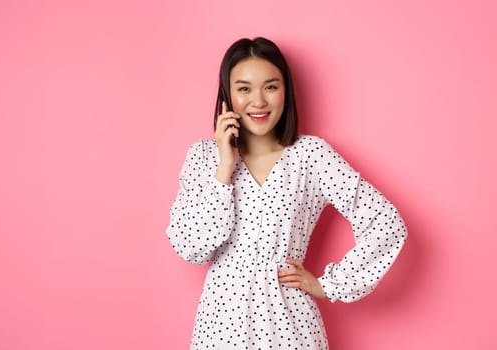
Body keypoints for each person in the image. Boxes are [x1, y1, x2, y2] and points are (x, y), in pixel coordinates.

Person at [164, 37, 407, 349]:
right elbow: (190, 247)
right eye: (243, 88)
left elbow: (386, 223)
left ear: (286, 91)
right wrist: (225, 168)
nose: (259, 101)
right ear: (228, 96)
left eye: (270, 86)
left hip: (290, 323)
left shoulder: (312, 155)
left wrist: (329, 285)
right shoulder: (204, 158)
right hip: (220, 324)